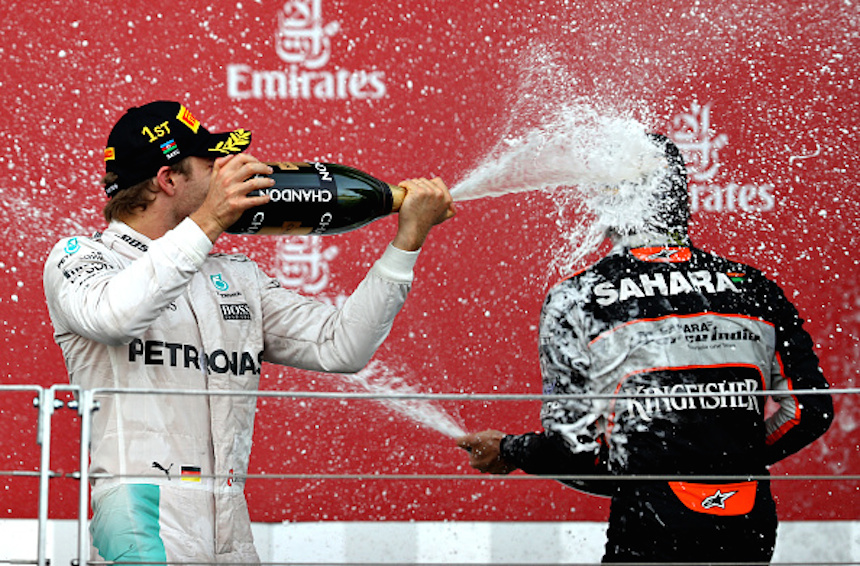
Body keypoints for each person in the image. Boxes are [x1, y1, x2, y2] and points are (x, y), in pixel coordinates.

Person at [43, 100, 455, 564]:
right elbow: (115, 317)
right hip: (139, 512)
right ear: (168, 179)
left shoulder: (236, 275)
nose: (227, 174)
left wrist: (405, 244)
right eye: (212, 164)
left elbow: (342, 346)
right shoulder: (81, 257)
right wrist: (209, 220)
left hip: (229, 516)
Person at [457, 133, 833, 564]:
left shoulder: (578, 297)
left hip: (649, 524)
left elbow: (574, 451)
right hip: (748, 523)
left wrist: (510, 450)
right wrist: (723, 461)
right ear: (682, 200)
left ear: (607, 204)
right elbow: (810, 411)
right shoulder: (754, 288)